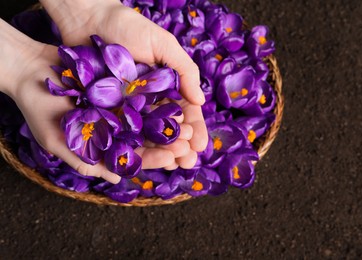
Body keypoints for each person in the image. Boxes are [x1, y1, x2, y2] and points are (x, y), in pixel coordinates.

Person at [0, 0, 208, 184]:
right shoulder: (105, 93)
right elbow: (98, 94)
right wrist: (19, 68)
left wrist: (92, 8)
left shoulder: (119, 97)